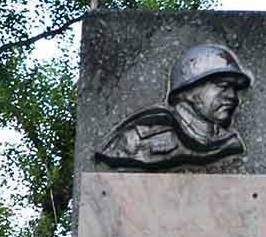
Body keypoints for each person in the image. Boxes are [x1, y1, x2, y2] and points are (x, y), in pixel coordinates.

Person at [96, 43, 252, 170]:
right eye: (223, 86)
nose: (232, 96)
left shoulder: (229, 142)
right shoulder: (135, 140)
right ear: (189, 91)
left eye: (235, 89)